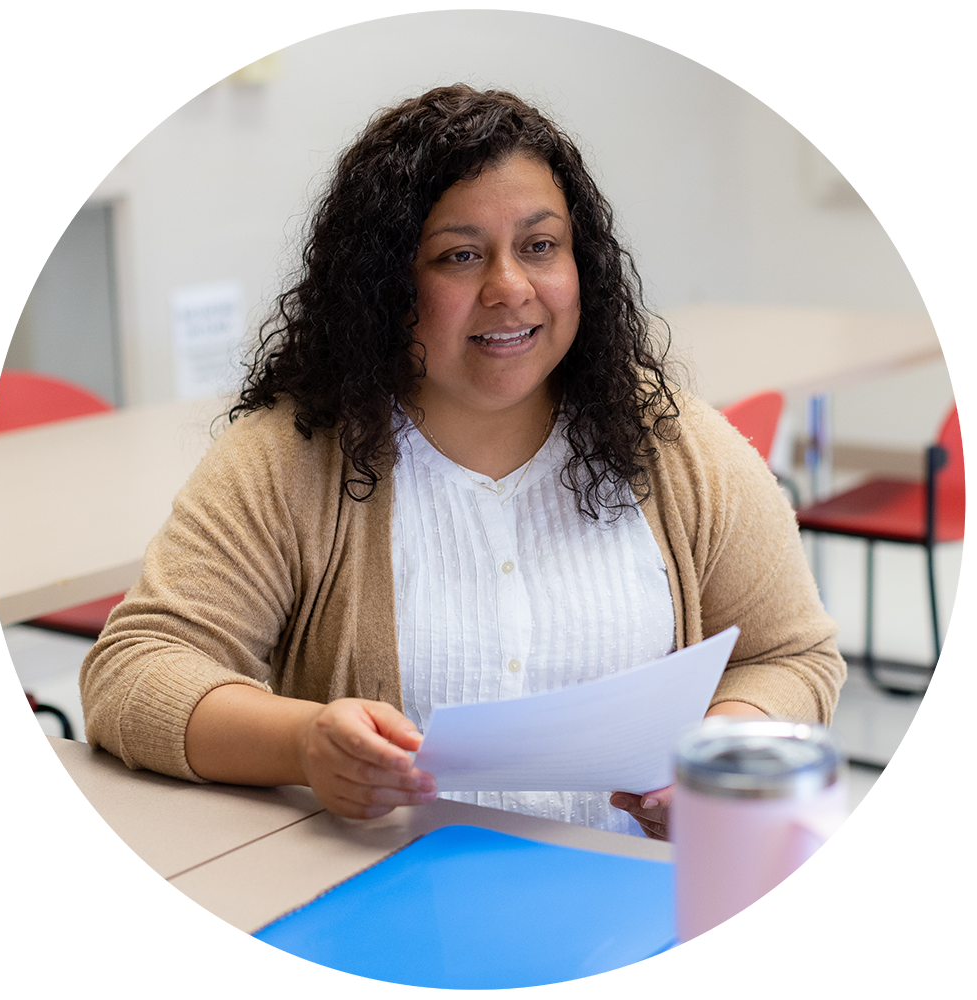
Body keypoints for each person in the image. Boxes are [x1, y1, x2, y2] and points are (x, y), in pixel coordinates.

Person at [80, 84, 844, 841]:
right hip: (384, 917)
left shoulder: (674, 446)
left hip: (634, 906)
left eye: (540, 247)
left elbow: (792, 655)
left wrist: (718, 749)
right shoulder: (292, 457)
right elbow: (135, 672)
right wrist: (304, 743)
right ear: (387, 287)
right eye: (460, 256)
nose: (510, 287)